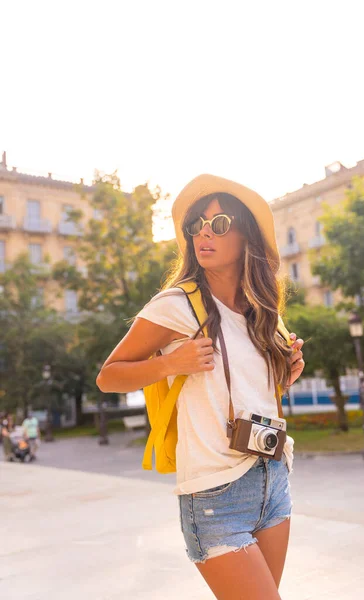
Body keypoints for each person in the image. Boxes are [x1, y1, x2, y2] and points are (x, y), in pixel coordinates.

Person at [97, 174, 305, 600]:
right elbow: (109, 375)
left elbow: (256, 386)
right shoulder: (175, 304)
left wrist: (288, 367)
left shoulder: (262, 310)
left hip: (272, 477)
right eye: (197, 225)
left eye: (220, 223)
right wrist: (172, 363)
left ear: (247, 235)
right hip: (215, 494)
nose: (203, 233)